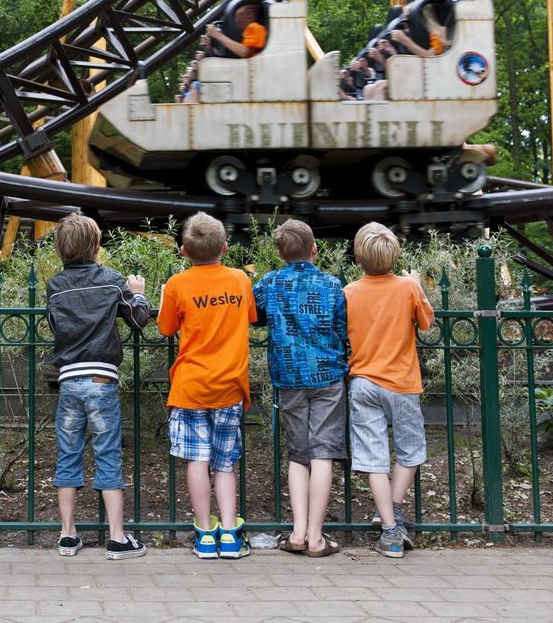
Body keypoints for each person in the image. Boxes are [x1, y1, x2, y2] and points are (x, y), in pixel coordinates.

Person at [45, 213, 151, 560]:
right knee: (107, 453)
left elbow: (53, 324)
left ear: (61, 249)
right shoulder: (111, 281)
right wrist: (138, 295)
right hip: (101, 379)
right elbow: (137, 320)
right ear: (95, 246)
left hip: (69, 379)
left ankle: (67, 534)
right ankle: (117, 538)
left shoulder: (55, 285)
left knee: (69, 452)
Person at [156, 212, 258, 559]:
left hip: (190, 387)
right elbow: (250, 317)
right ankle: (230, 534)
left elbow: (165, 328)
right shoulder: (240, 280)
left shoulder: (178, 284)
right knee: (225, 463)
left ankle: (203, 533)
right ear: (225, 248)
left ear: (184, 251)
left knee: (196, 461)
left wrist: (164, 297)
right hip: (229, 385)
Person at [252, 220, 347, 558]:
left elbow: (253, 313)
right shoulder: (332, 284)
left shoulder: (271, 282)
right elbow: (341, 326)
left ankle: (297, 531)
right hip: (327, 376)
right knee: (323, 452)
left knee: (298, 454)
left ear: (279, 253)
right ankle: (317, 537)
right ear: (314, 249)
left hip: (289, 375)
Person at [343, 222, 435, 559]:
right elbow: (427, 322)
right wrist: (416, 283)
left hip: (363, 381)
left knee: (374, 457)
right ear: (395, 255)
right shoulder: (407, 287)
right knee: (410, 451)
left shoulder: (349, 292)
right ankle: (393, 511)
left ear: (358, 257)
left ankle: (390, 528)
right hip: (402, 382)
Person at [202, 4, 267, 59]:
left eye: (236, 16)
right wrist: (209, 46)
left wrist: (217, 35)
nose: (235, 20)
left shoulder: (255, 27)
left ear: (249, 14)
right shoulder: (247, 31)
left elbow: (244, 52)